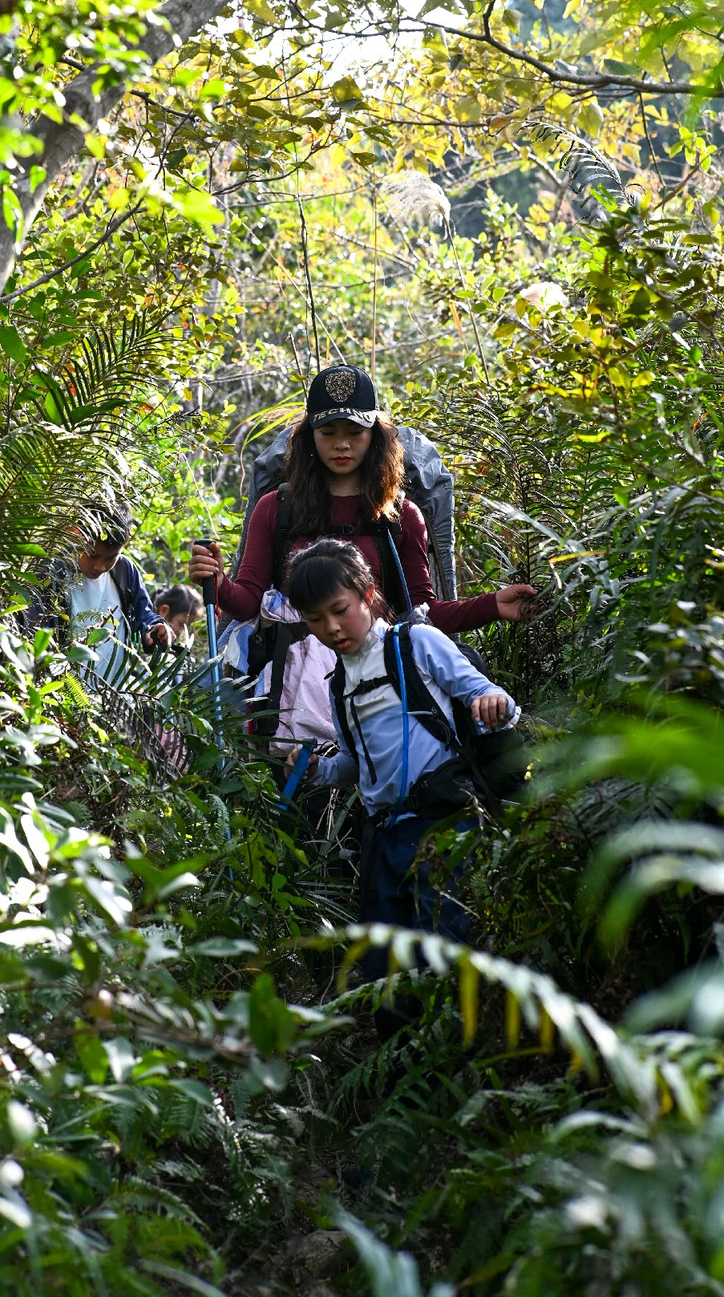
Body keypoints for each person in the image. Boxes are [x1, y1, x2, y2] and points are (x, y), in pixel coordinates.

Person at [284, 540, 517, 997]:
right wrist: (318, 772)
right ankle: (401, 1054)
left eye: (339, 610)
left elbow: (497, 702)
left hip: (444, 822)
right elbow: (356, 764)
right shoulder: (340, 684)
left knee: (441, 952)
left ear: (367, 594)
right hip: (386, 836)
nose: (331, 628)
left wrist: (492, 702)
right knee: (384, 965)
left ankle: (447, 1054)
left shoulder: (416, 643)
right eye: (314, 619)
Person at [188, 365, 536, 638]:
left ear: (375, 437)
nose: (342, 445)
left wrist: (493, 605)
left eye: (355, 433)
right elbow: (248, 602)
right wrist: (218, 581)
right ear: (311, 438)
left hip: (378, 682)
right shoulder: (276, 509)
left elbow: (424, 613)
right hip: (289, 685)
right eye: (329, 434)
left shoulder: (400, 516)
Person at [24, 508, 168, 686]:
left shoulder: (125, 571)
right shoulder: (52, 574)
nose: (100, 566)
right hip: (62, 697)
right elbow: (32, 635)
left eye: (111, 558)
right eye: (93, 555)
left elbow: (144, 616)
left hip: (113, 696)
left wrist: (155, 628)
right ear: (75, 535)